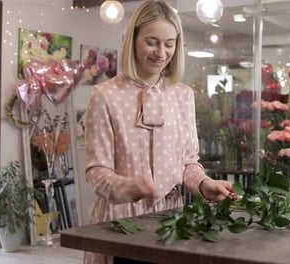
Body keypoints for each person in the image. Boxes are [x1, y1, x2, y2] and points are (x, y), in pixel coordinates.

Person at [83, 1, 235, 263]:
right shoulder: (105, 96)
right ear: (133, 40)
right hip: (121, 221)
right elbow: (96, 172)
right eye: (152, 42)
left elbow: (188, 162)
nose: (161, 53)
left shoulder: (182, 95)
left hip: (171, 221)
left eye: (169, 44)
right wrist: (129, 186)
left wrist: (204, 184)